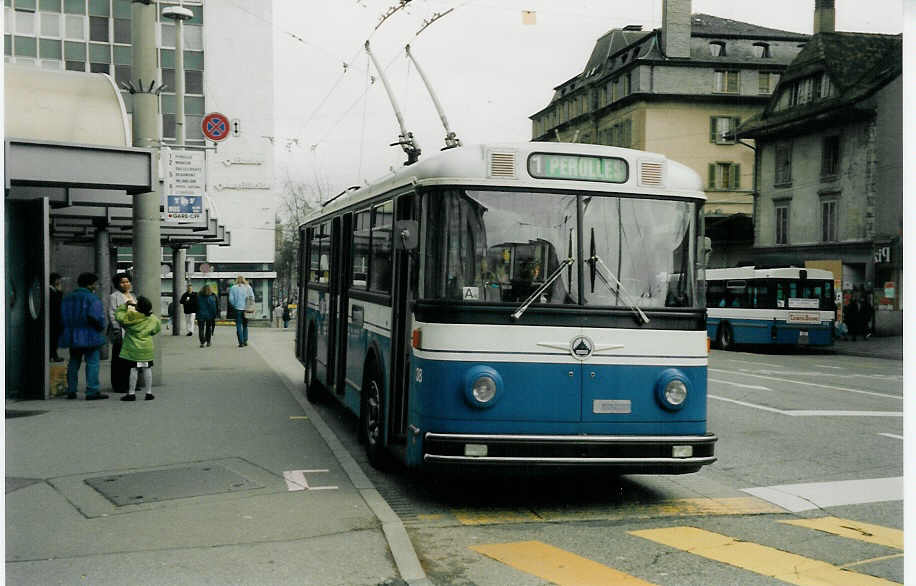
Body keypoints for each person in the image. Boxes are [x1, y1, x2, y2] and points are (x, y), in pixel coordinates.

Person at [58, 272, 107, 400]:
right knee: (92, 363)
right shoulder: (92, 298)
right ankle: (92, 390)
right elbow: (95, 316)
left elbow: (62, 317)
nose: (96, 286)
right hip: (90, 334)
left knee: (74, 362)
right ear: (90, 285)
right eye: (95, 284)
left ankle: (71, 390)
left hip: (73, 334)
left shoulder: (68, 298)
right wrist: (100, 327)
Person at [115, 296, 161, 401]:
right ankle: (149, 393)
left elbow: (118, 316)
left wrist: (124, 306)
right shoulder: (153, 319)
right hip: (146, 348)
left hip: (133, 349)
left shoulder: (130, 316)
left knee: (133, 370)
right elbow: (156, 329)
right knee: (147, 369)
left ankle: (131, 393)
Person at [108, 272, 136, 393]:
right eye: (122, 282)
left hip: (133, 331)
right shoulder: (114, 296)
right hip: (121, 330)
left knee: (131, 359)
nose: (126, 284)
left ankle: (130, 383)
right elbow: (112, 313)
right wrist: (116, 329)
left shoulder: (132, 296)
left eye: (127, 281)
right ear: (117, 284)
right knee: (119, 359)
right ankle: (118, 384)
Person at [228, 275, 255, 347]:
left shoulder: (233, 288)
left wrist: (235, 305)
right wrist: (250, 306)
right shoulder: (248, 287)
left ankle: (241, 342)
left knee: (238, 325)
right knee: (245, 325)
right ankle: (245, 340)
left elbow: (231, 299)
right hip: (246, 309)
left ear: (236, 280)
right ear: (244, 280)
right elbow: (252, 298)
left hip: (238, 309)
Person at [49, 272, 64, 362]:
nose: (60, 282)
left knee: (54, 338)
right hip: (54, 318)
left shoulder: (53, 290)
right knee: (53, 338)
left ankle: (52, 354)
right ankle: (53, 355)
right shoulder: (51, 291)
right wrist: (59, 292)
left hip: (55, 318)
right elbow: (57, 303)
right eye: (59, 280)